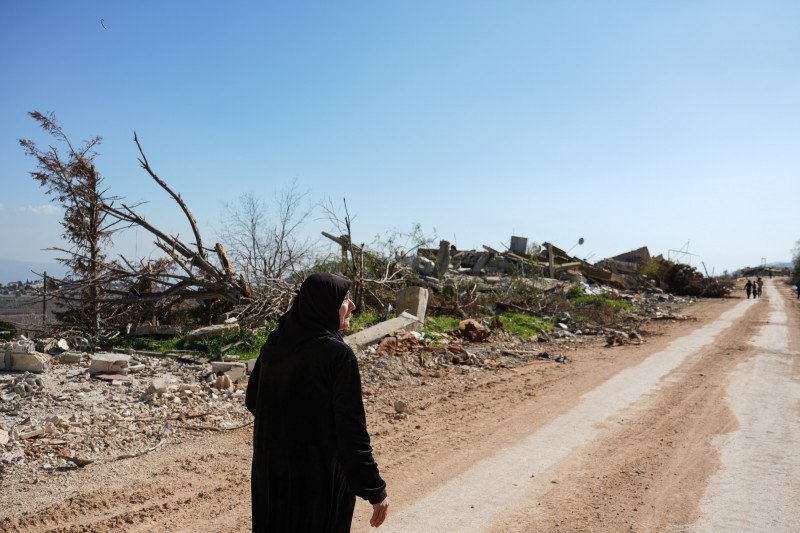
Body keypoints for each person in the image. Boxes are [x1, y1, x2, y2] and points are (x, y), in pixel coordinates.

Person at [246, 273, 389, 532]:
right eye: (346, 299)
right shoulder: (337, 354)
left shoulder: (274, 345)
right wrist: (375, 489)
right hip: (316, 485)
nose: (353, 306)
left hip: (272, 479)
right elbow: (351, 431)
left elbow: (254, 401)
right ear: (324, 305)